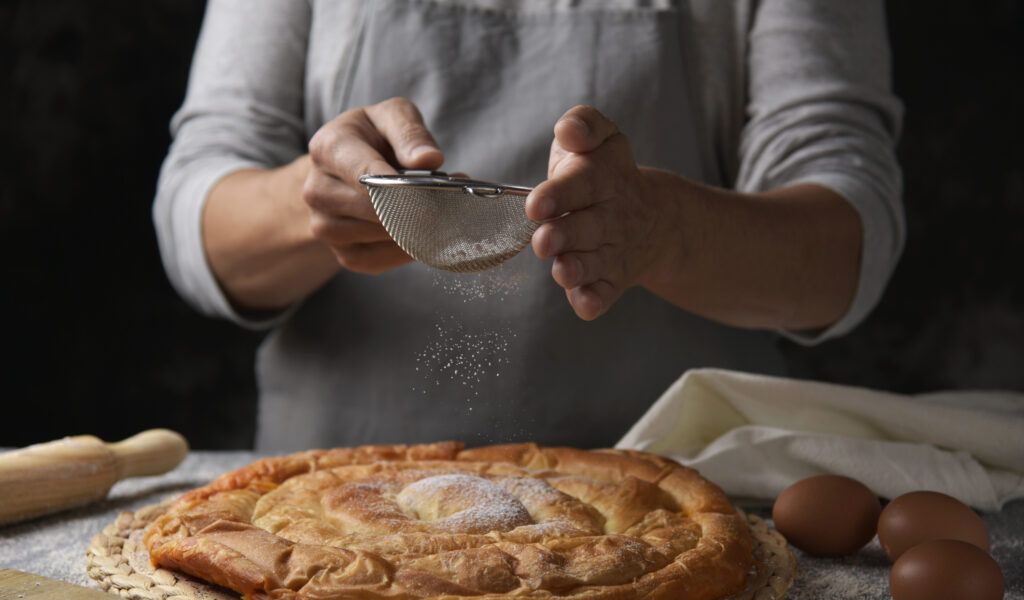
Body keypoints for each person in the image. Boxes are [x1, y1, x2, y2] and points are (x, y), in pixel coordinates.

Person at [154, 0, 904, 453]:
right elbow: (198, 218)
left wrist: (666, 230)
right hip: (334, 504)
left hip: (680, 487)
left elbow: (847, 248)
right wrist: (311, 203)